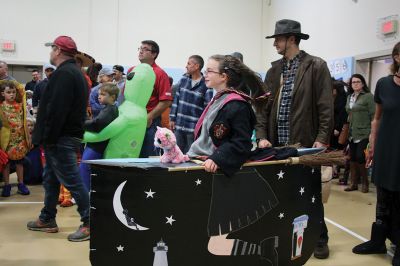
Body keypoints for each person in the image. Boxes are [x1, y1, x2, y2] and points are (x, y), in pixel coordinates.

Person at [255, 19, 333, 259]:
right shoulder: (273, 70)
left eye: (278, 39)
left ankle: (320, 237)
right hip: (276, 145)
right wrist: (261, 136)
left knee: (310, 192)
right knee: (282, 192)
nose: (275, 44)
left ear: (291, 39)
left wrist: (321, 138)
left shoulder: (316, 66)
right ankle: (284, 233)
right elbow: (262, 108)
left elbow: (325, 106)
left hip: (306, 142)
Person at [187, 54, 274, 257]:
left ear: (224, 76)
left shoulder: (237, 105)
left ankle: (265, 252)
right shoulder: (219, 98)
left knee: (214, 245)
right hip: (207, 169)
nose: (205, 74)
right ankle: (265, 251)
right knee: (206, 240)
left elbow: (241, 143)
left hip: (224, 179)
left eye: (209, 71)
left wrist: (217, 158)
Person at [27, 35, 90, 242]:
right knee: (51, 179)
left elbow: (57, 111)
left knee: (72, 180)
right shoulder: (74, 72)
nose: (50, 52)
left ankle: (90, 222)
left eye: (52, 48)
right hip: (61, 137)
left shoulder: (65, 74)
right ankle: (47, 218)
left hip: (60, 138)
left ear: (58, 51)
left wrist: (48, 137)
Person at [352, 42, 400, 266]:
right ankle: (378, 240)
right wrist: (371, 146)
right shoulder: (383, 84)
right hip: (385, 149)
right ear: (397, 57)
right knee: (382, 197)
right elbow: (377, 119)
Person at [128, 40, 172, 157]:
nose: (141, 51)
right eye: (140, 48)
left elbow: (166, 101)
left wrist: (149, 117)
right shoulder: (132, 70)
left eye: (145, 49)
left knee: (146, 157)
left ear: (154, 54)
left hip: (149, 123)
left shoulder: (160, 74)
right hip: (130, 120)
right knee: (129, 154)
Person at [169, 55, 213, 153]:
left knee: (191, 155)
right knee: (176, 153)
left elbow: (207, 108)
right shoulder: (183, 80)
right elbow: (176, 100)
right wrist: (172, 118)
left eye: (189, 63)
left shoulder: (206, 85)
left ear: (197, 66)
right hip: (179, 126)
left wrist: (202, 127)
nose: (186, 66)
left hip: (193, 129)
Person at [80, 82, 119, 191]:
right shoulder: (109, 109)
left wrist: (80, 123)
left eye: (103, 94)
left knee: (84, 168)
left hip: (96, 146)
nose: (99, 96)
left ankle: (86, 195)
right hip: (96, 145)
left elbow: (97, 125)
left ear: (112, 97)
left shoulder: (110, 109)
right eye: (99, 94)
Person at [343, 74, 374, 193]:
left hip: (364, 132)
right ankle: (353, 183)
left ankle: (365, 183)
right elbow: (349, 113)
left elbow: (374, 116)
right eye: (353, 82)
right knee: (352, 158)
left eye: (358, 81)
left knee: (361, 157)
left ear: (363, 83)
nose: (355, 84)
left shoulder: (368, 97)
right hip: (352, 132)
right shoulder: (349, 97)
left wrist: (372, 133)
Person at [0, 80, 31, 197]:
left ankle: (21, 184)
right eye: (8, 92)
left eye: (13, 92)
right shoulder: (1, 106)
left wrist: (27, 137)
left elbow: (21, 90)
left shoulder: (19, 106)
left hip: (19, 139)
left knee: (19, 163)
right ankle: (7, 185)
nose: (12, 94)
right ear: (3, 94)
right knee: (6, 164)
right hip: (6, 140)